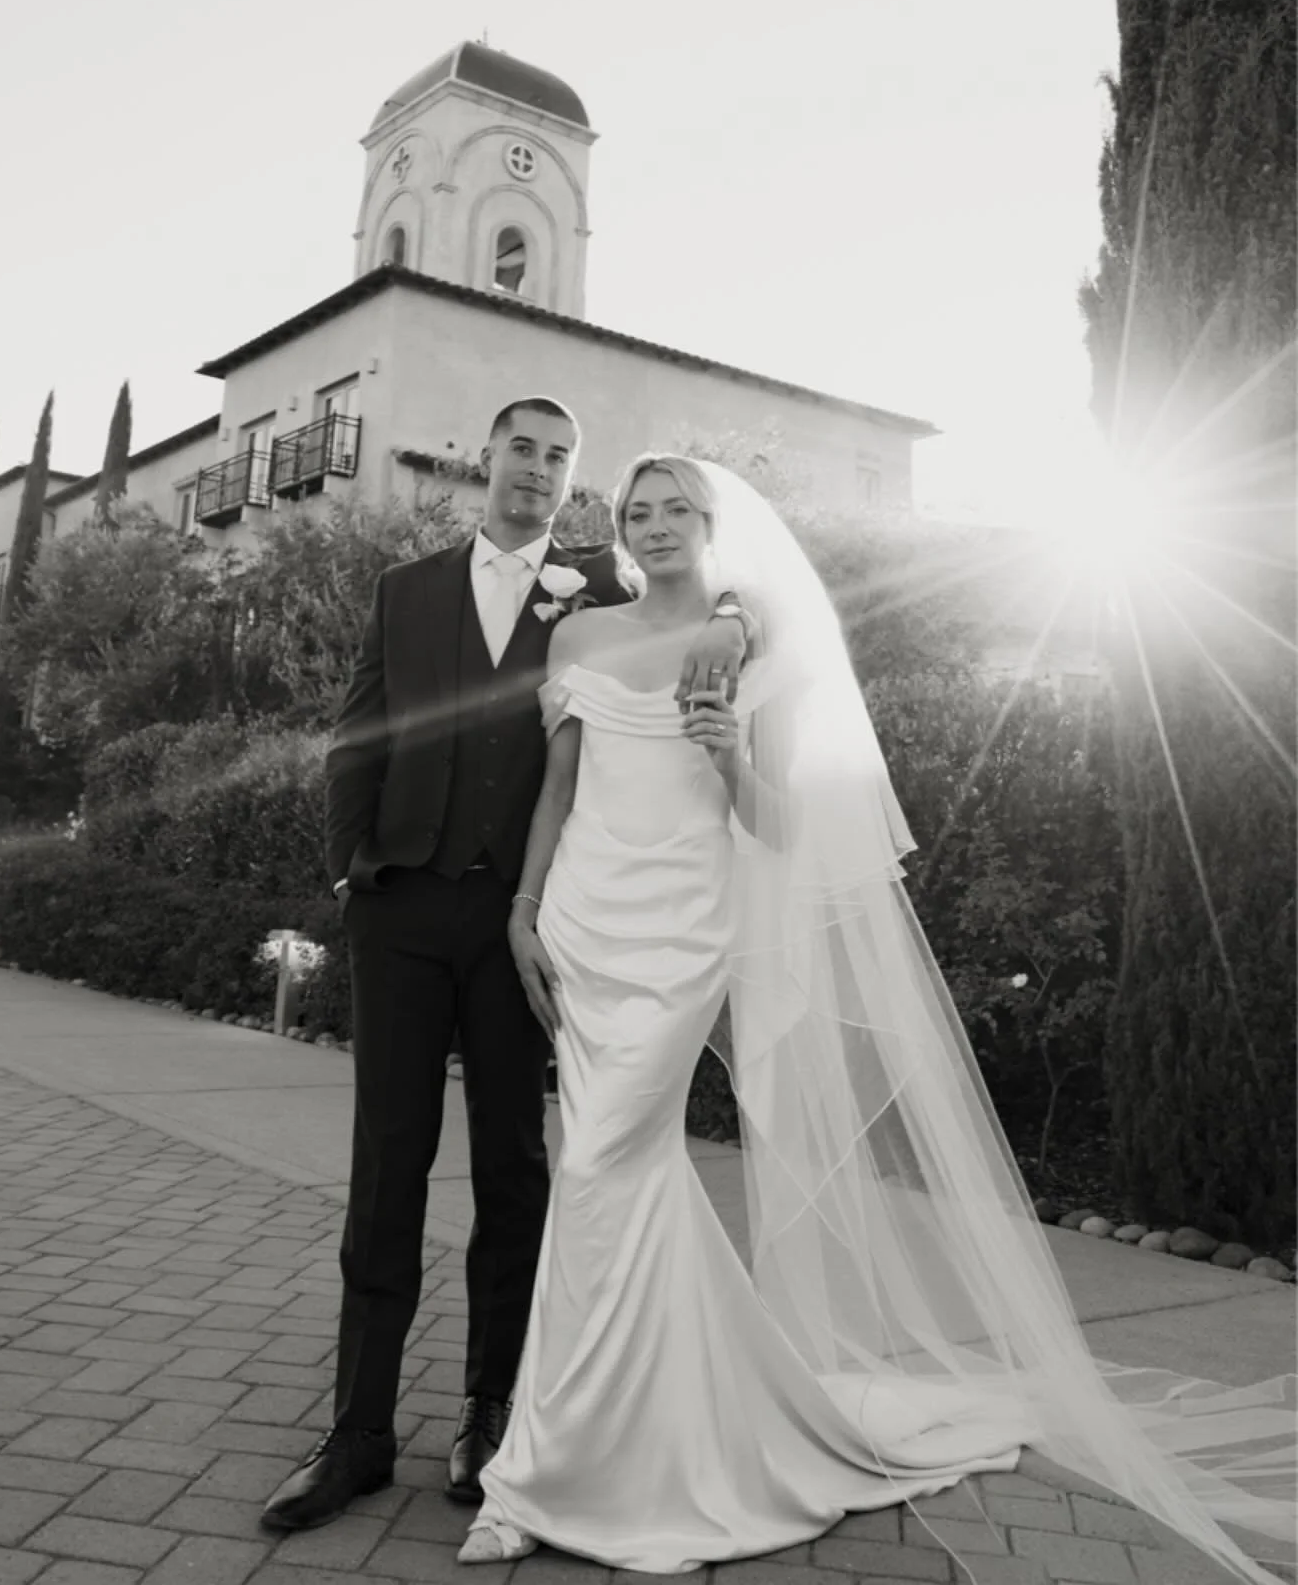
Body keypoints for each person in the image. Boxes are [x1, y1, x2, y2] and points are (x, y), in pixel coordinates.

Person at [456, 454, 1295, 1582]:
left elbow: (790, 830)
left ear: (715, 524)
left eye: (677, 511)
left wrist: (730, 752)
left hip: (688, 925)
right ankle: (654, 1427)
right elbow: (559, 787)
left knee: (603, 1166)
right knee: (617, 1173)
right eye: (638, 511)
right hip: (584, 923)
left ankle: (540, 1473)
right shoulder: (580, 639)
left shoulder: (756, 638)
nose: (654, 527)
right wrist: (523, 908)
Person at [260, 402, 751, 1536]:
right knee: (386, 1167)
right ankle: (358, 1433)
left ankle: (489, 1411)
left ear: (575, 482)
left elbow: (701, 599)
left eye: (559, 456)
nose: (537, 469)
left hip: (526, 926)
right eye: (521, 449)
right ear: (488, 460)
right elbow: (357, 734)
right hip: (401, 909)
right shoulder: (407, 588)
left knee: (515, 1171)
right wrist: (350, 869)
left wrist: (727, 613)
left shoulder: (598, 590)